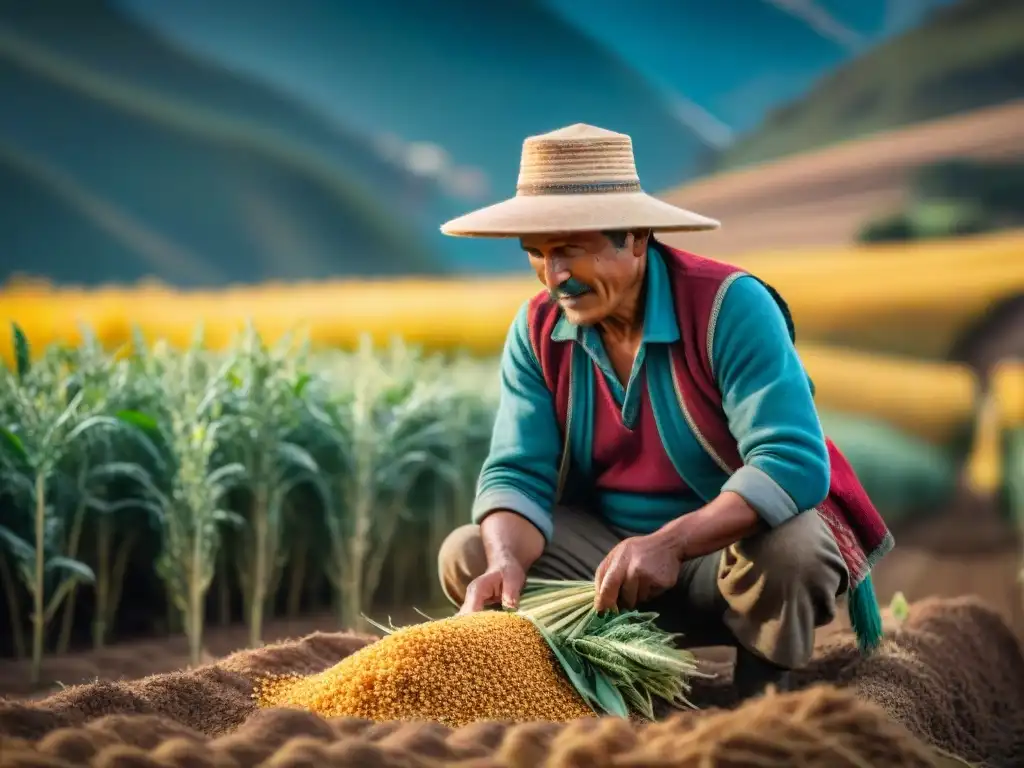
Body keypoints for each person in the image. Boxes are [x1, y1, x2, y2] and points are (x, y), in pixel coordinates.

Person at [436, 123, 894, 700]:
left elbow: (790, 460)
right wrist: (505, 560)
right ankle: (596, 680)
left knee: (794, 550)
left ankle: (759, 691)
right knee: (470, 553)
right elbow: (515, 471)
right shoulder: (536, 331)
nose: (556, 278)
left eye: (569, 252)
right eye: (538, 256)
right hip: (603, 571)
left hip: (725, 566)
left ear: (633, 237)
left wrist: (672, 543)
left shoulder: (729, 307)